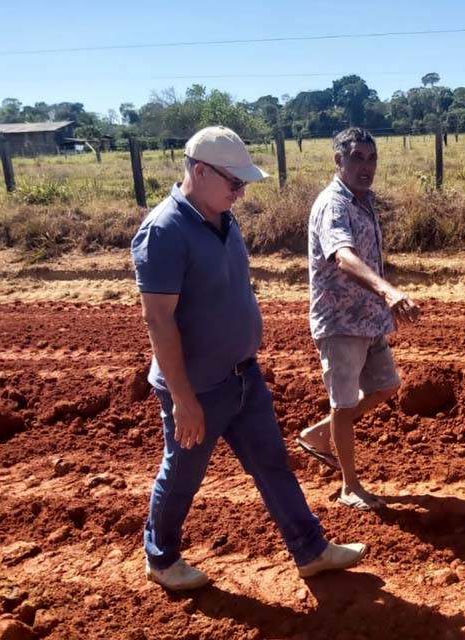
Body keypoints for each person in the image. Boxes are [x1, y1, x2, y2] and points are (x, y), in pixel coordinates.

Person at [130, 125, 366, 591]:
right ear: (199, 171)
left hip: (242, 376)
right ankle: (160, 558)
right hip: (197, 386)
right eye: (233, 182)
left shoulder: (224, 219)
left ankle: (310, 549)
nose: (240, 192)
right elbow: (159, 321)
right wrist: (182, 397)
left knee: (272, 464)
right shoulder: (163, 232)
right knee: (182, 476)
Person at [298, 127, 421, 512]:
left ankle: (319, 434)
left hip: (367, 319)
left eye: (371, 158)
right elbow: (343, 256)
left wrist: (382, 303)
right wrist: (389, 292)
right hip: (340, 321)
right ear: (338, 161)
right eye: (357, 158)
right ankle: (350, 487)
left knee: (386, 385)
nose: (366, 166)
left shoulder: (363, 200)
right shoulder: (334, 204)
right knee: (343, 403)